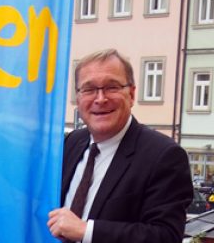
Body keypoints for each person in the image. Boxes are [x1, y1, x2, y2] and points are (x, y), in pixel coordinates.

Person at [47, 49, 193, 243]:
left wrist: (86, 230)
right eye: (89, 89)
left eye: (111, 87)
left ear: (131, 94)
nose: (100, 99)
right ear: (78, 98)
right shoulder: (71, 143)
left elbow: (165, 236)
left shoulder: (164, 156)